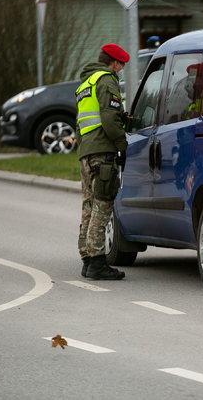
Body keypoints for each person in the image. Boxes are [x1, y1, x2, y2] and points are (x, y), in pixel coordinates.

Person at [75, 43, 129, 280]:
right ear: (114, 63)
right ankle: (98, 262)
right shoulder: (107, 81)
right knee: (103, 203)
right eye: (122, 65)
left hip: (86, 152)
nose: (121, 70)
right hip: (102, 152)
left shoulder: (85, 84)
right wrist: (121, 143)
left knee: (88, 205)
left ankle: (87, 258)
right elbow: (108, 119)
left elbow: (83, 122)